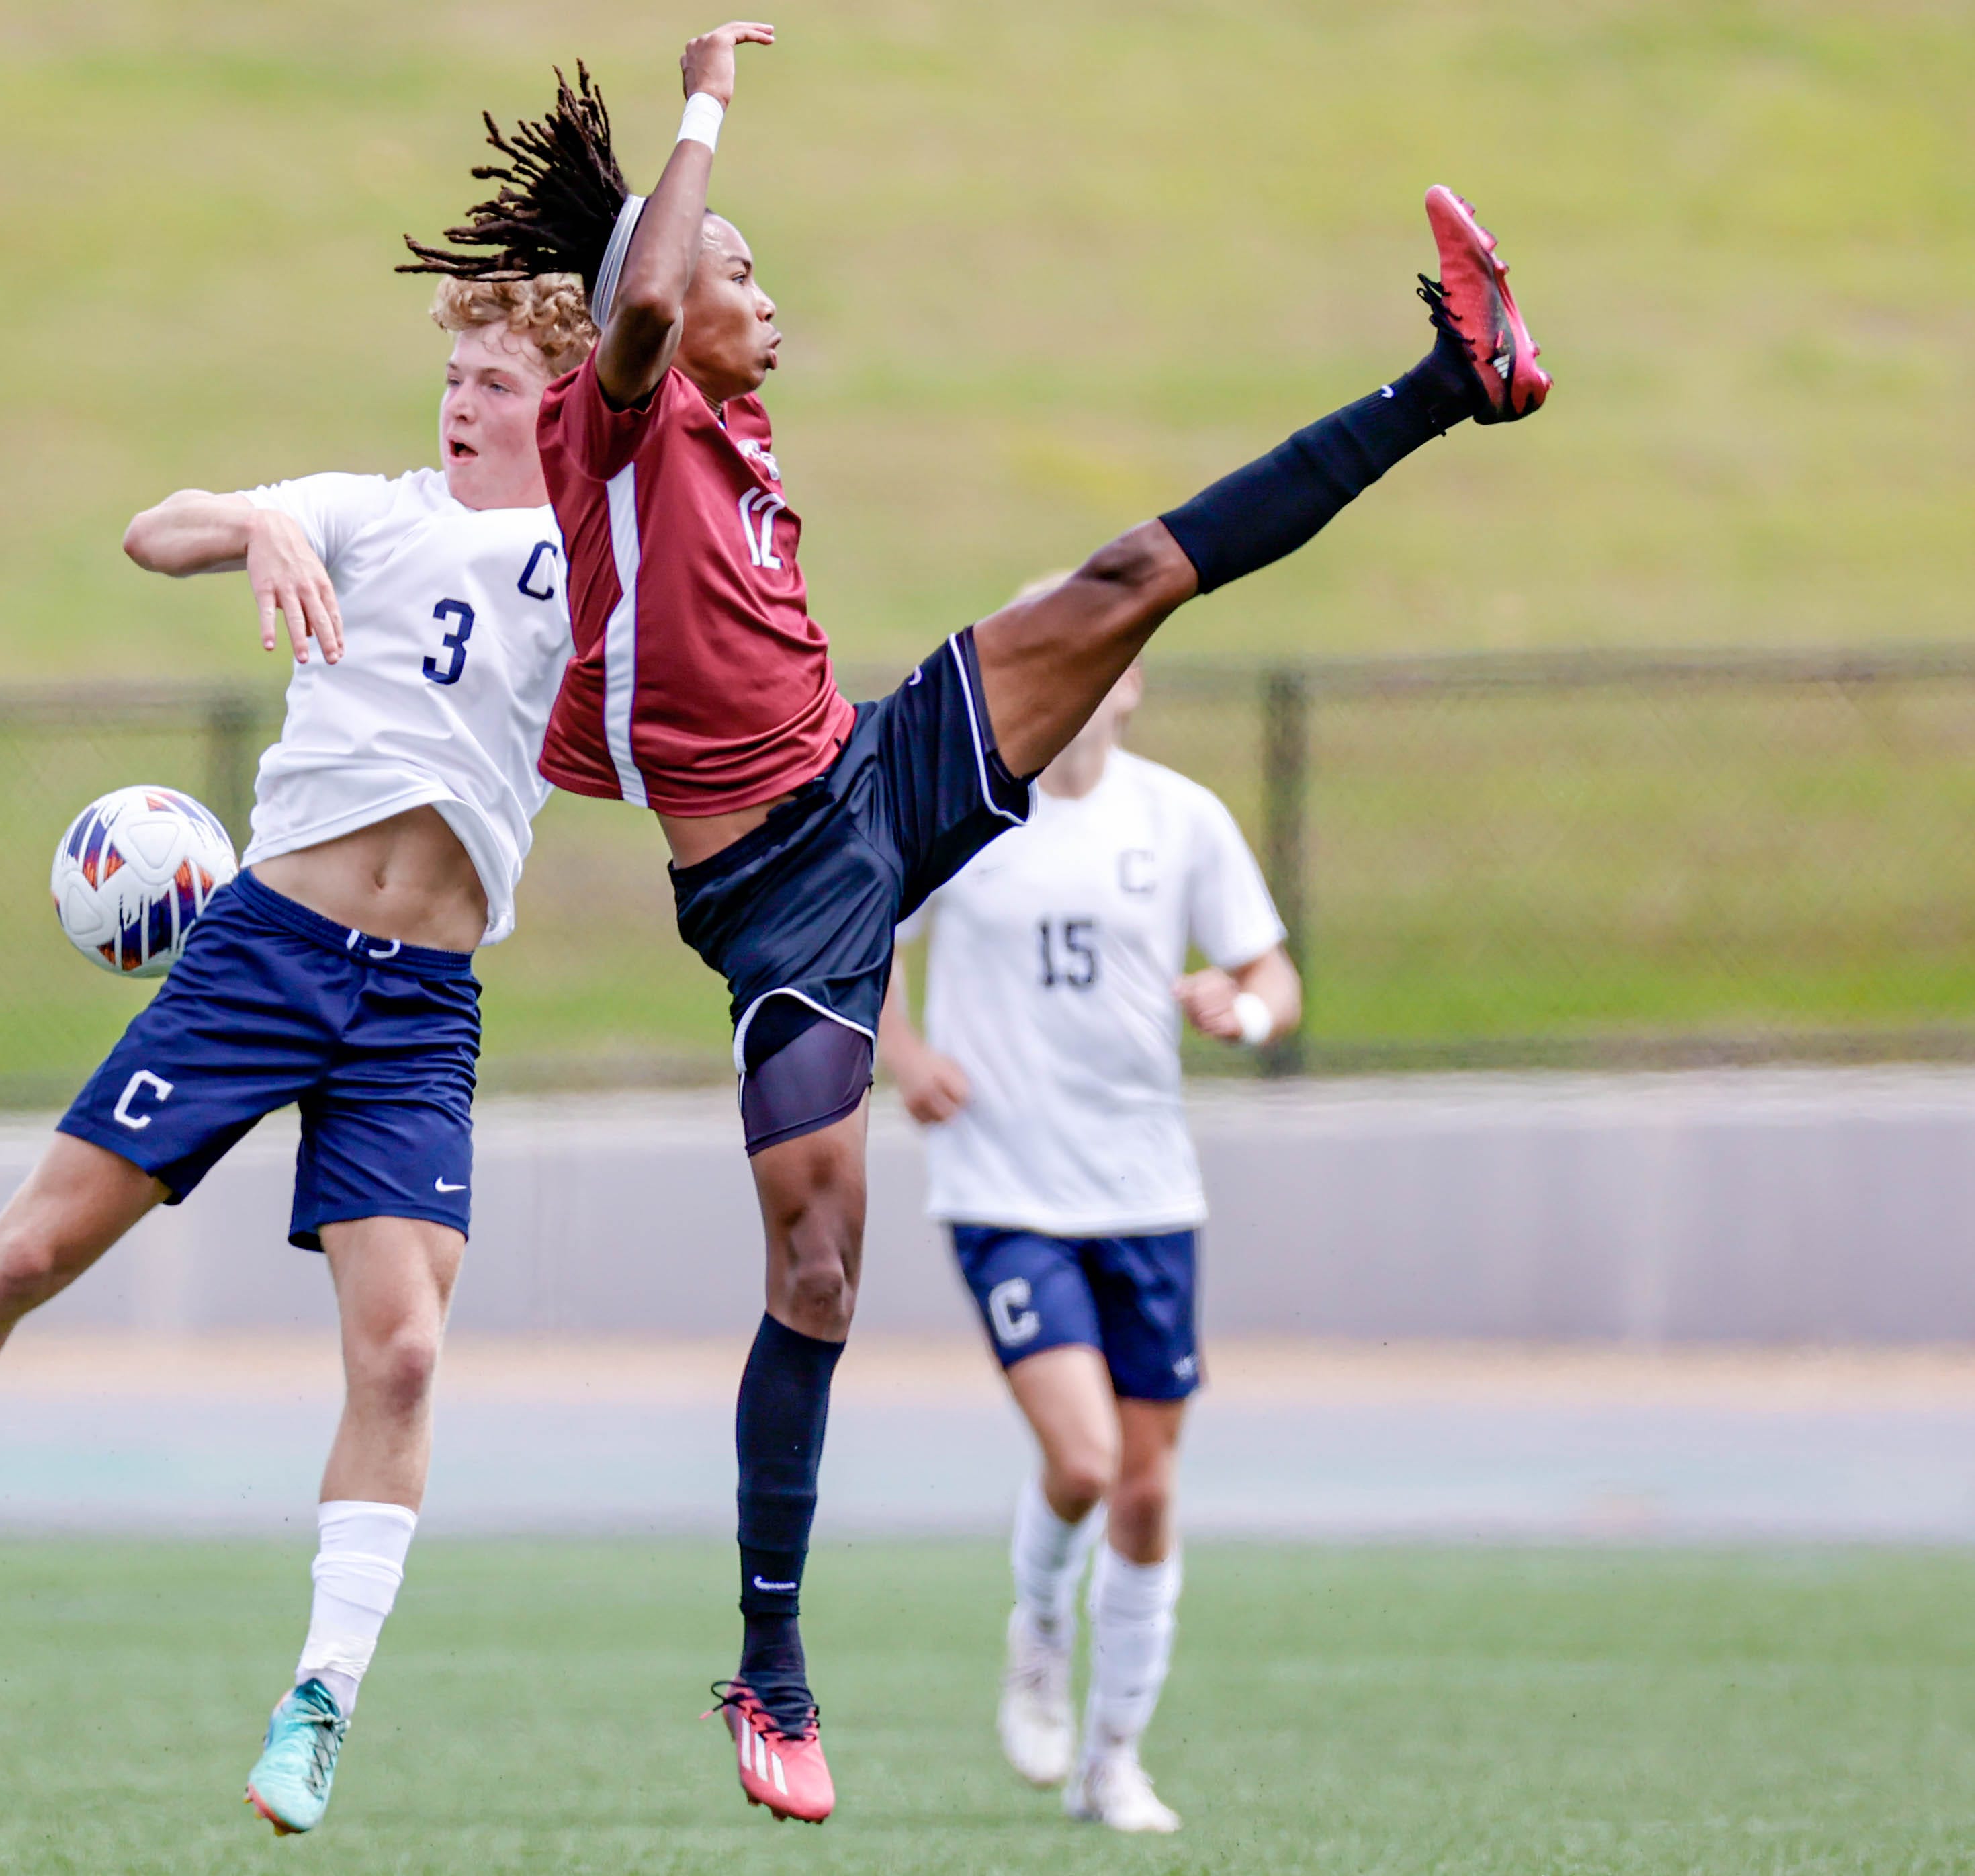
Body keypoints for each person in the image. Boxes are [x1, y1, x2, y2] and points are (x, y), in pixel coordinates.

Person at [400, 23, 1548, 1822]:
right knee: (819, 1275)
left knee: (1126, 582)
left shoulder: (735, 429)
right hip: (783, 909)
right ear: (665, 290)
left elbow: (681, 348)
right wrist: (701, 107)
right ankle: (769, 1674)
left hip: (873, 770)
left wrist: (695, 236)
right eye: (738, 268)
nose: (767, 295)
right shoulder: (611, 419)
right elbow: (632, 310)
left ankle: (1450, 384)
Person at [0, 275, 591, 1838]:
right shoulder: (364, 513)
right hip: (267, 954)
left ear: (564, 406)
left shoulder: (596, 555)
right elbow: (152, 527)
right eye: (451, 377)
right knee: (34, 1248)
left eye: (497, 386)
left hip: (420, 1007)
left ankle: (320, 1697)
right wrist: (257, 527)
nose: (460, 404)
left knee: (401, 1351)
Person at [878, 652, 1299, 1834]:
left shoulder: (1180, 818)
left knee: (1149, 1495)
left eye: (1101, 667)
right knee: (1084, 1464)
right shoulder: (969, 812)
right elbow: (867, 939)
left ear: (1131, 689)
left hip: (1147, 1195)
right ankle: (1040, 1627)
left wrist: (1247, 1006)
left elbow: (1273, 969)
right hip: (1005, 1189)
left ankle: (1112, 1760)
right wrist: (904, 1060)